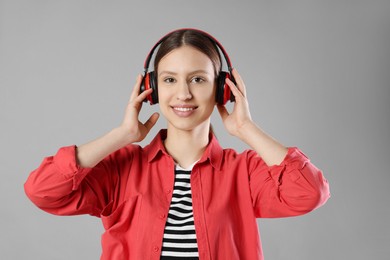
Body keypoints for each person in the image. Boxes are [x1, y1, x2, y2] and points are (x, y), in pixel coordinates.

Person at [24, 28, 330, 260]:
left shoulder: (244, 172)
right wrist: (121, 135)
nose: (183, 94)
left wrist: (246, 128)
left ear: (223, 89)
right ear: (152, 89)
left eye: (198, 79)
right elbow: (43, 191)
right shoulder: (121, 169)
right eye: (169, 80)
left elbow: (308, 193)